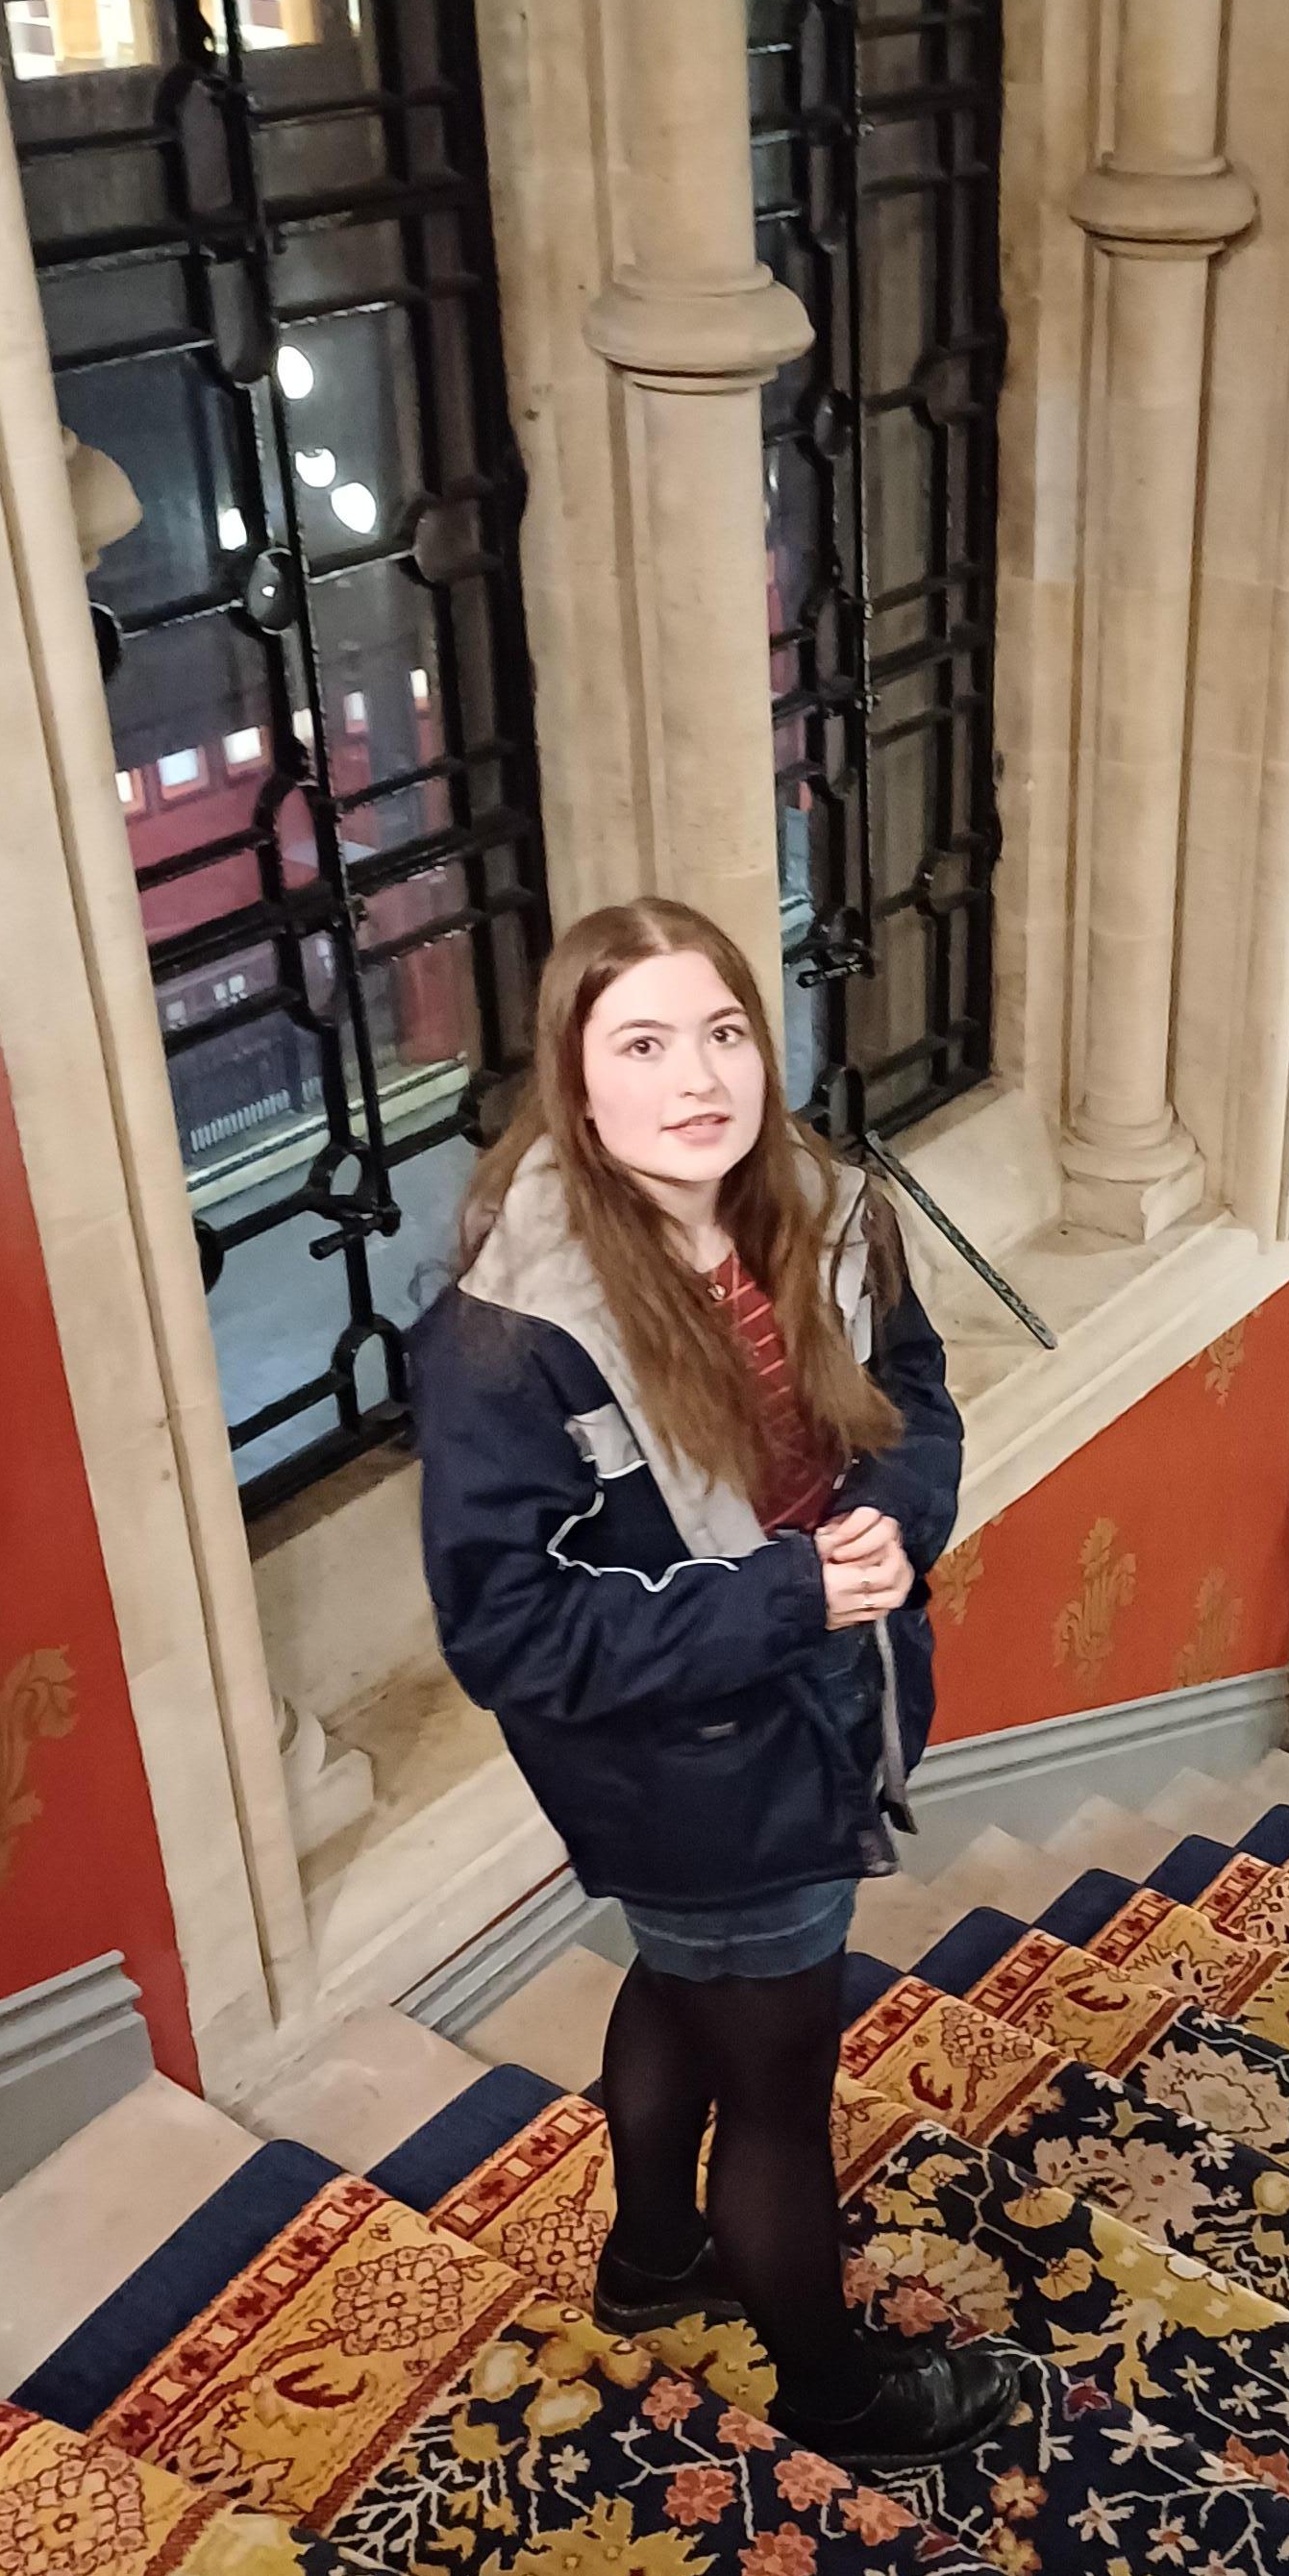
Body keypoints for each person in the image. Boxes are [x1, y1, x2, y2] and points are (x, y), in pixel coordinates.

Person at [412, 898, 1017, 2459]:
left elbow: (918, 1394)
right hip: (689, 1766)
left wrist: (894, 1513)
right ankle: (835, 2395)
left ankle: (652, 2259)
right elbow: (509, 1631)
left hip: (823, 1700)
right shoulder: (511, 1331)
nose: (700, 1076)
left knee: (690, 1986)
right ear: (577, 1083)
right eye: (645, 1043)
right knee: (778, 2098)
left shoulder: (823, 1208)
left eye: (726, 1032)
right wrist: (787, 1597)